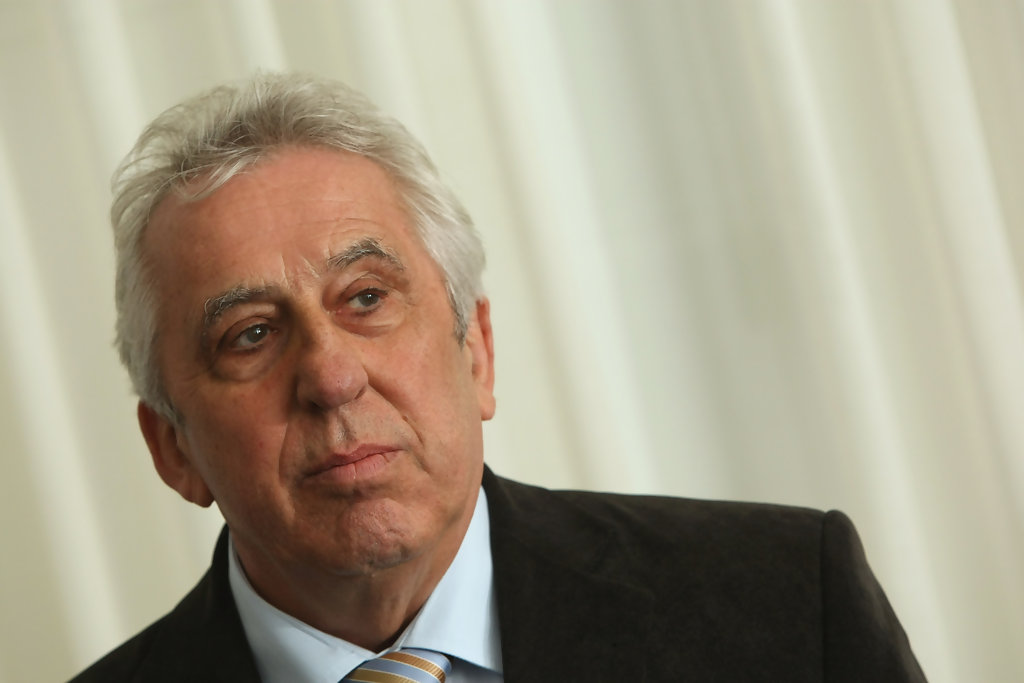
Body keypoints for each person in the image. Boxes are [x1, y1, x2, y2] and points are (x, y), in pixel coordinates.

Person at [70, 72, 926, 683]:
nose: (330, 376)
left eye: (366, 297)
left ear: (475, 349)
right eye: (250, 335)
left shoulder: (787, 602)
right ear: (172, 447)